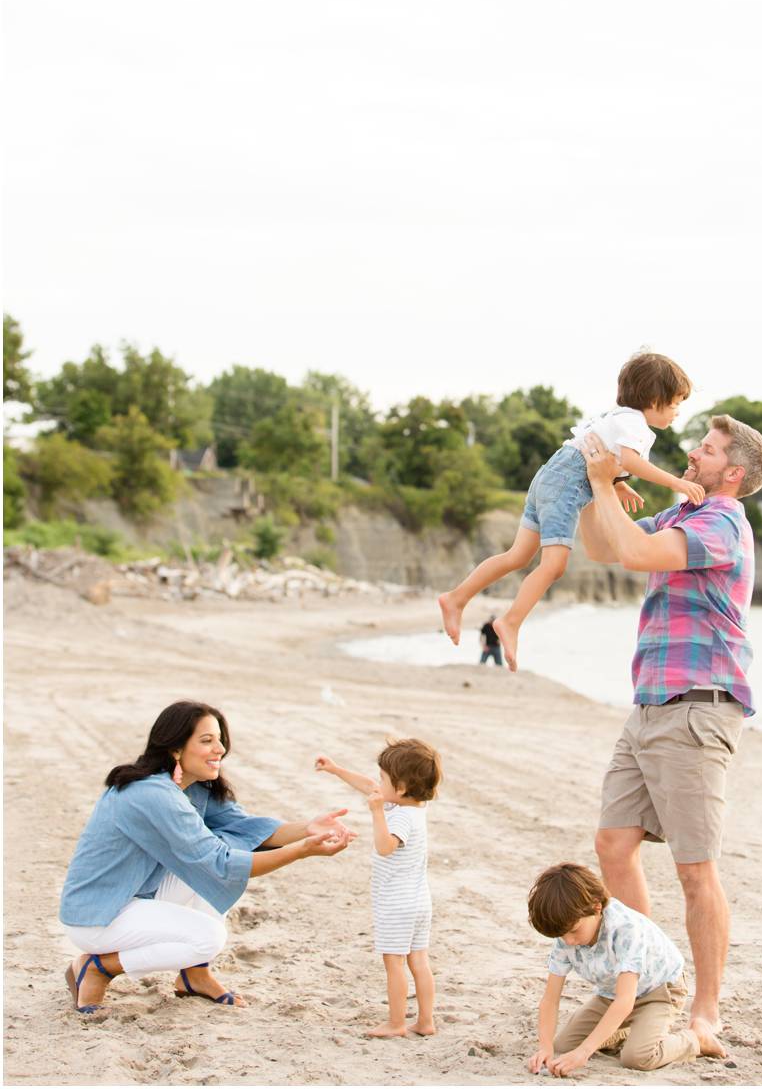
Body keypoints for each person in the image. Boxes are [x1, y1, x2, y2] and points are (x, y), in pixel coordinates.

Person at [575, 412, 762, 1045]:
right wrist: (591, 479)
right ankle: (651, 980)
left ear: (732, 472)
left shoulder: (720, 523)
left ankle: (706, 1009)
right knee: (612, 846)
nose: (693, 452)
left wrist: (608, 483)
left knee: (695, 869)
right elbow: (603, 548)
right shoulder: (682, 515)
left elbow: (633, 555)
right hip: (650, 705)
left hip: (698, 707)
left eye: (708, 449)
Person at [59, 700, 354, 1013]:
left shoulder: (192, 786)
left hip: (137, 894)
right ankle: (98, 967)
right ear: (175, 748)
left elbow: (243, 827)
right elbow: (222, 865)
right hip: (99, 915)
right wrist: (302, 851)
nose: (220, 749)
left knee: (229, 843)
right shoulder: (152, 793)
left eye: (220, 740)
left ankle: (194, 976)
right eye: (206, 741)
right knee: (208, 937)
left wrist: (309, 828)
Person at [437, 352, 705, 671]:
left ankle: (456, 598)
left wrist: (619, 485)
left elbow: (605, 457)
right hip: (565, 485)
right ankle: (510, 622)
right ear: (655, 398)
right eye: (675, 403)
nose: (677, 412)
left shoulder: (617, 416)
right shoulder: (635, 424)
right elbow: (631, 461)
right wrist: (676, 482)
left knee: (518, 555)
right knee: (554, 565)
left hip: (551, 475)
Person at [524, 862, 727, 1077]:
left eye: (574, 931)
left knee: (638, 1057)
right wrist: (545, 1047)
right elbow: (550, 999)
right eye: (562, 936)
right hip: (611, 994)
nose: (569, 941)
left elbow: (625, 1001)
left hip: (658, 991)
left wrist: (584, 1053)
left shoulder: (625, 930)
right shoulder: (566, 935)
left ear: (596, 907)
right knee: (564, 1044)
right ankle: (630, 1031)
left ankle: (697, 1038)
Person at [315, 738, 443, 1037]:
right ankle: (425, 1021)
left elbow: (386, 847)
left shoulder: (400, 816)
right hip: (419, 900)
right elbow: (368, 784)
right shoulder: (412, 806)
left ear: (399, 788)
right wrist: (335, 769)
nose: (377, 784)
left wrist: (375, 813)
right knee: (419, 960)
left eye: (385, 779)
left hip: (397, 904)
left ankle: (396, 1022)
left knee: (394, 963)